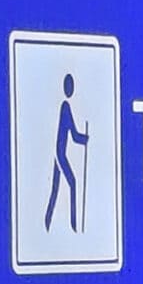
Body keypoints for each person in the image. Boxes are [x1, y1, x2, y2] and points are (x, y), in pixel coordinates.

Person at [45, 75, 88, 233]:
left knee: (55, 189)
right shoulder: (65, 107)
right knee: (72, 183)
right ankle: (74, 226)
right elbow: (74, 134)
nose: (71, 89)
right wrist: (85, 139)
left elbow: (75, 136)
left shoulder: (66, 107)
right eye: (69, 86)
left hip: (60, 152)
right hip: (59, 153)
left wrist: (84, 139)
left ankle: (46, 224)